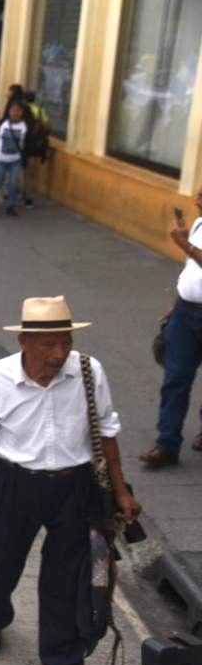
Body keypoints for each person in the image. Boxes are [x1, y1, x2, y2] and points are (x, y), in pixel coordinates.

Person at [0, 295, 141, 665]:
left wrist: (120, 490)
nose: (60, 353)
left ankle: (61, 656)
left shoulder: (89, 372)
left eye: (66, 342)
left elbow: (106, 430)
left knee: (67, 577)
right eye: (49, 344)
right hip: (14, 484)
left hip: (75, 486)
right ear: (24, 342)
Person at [141, 186, 202, 468]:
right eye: (198, 194)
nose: (197, 199)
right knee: (176, 378)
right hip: (185, 314)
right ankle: (167, 444)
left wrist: (184, 244)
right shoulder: (199, 223)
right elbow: (192, 270)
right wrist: (178, 302)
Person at [0, 102, 27, 216]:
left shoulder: (23, 126)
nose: (15, 113)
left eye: (18, 111)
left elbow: (23, 142)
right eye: (13, 110)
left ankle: (10, 206)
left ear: (21, 113)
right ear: (9, 112)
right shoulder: (4, 124)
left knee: (13, 183)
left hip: (15, 160)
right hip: (0, 159)